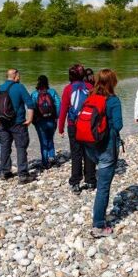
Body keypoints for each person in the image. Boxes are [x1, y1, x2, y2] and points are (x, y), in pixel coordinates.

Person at [83, 69, 124, 238]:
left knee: (100, 183)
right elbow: (119, 125)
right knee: (103, 187)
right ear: (112, 82)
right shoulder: (113, 100)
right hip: (106, 146)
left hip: (89, 145)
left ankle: (98, 216)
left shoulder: (90, 97)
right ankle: (98, 225)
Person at [0, 68, 36, 182]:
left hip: (3, 123)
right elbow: (30, 104)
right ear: (15, 75)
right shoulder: (19, 87)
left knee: (5, 147)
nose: (19, 77)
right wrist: (30, 120)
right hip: (18, 123)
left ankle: (4, 172)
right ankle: (23, 175)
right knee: (21, 147)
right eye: (19, 75)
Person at [58, 64, 96, 193]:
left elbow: (63, 109)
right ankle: (90, 180)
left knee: (76, 153)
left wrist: (60, 127)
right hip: (88, 124)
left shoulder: (68, 89)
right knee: (89, 152)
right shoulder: (90, 87)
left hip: (73, 125)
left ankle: (75, 182)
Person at [31, 74, 61, 166]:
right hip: (52, 120)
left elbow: (31, 107)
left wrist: (33, 121)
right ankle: (52, 157)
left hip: (40, 121)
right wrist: (57, 117)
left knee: (43, 141)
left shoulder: (34, 94)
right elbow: (59, 105)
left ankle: (45, 162)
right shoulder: (52, 92)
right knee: (50, 138)